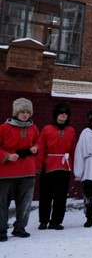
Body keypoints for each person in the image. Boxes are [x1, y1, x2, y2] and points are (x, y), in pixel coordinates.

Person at [0, 98, 39, 241]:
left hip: (27, 171)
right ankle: (1, 229)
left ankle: (20, 227)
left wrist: (36, 148)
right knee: (2, 202)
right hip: (6, 172)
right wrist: (6, 156)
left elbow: (38, 142)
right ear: (16, 112)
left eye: (27, 112)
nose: (25, 114)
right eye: (22, 111)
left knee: (25, 202)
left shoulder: (33, 128)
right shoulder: (4, 128)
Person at [36, 103, 77, 231]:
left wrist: (75, 167)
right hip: (48, 165)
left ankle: (56, 221)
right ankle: (43, 221)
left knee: (61, 196)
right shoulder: (47, 129)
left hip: (64, 166)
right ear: (56, 115)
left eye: (65, 113)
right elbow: (41, 147)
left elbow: (73, 149)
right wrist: (38, 165)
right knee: (45, 195)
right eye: (61, 112)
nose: (63, 115)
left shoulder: (71, 130)